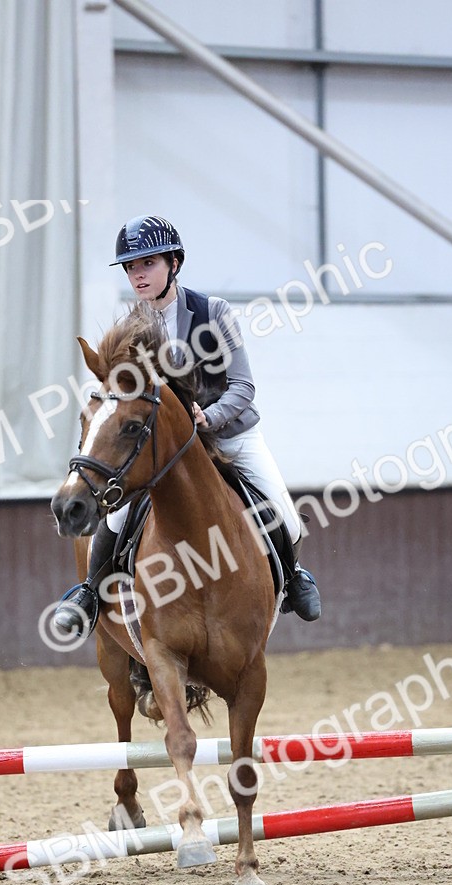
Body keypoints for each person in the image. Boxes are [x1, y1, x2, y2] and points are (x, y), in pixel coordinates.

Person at [54, 214, 321, 638]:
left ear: (174, 264)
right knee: (117, 519)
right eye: (131, 266)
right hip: (168, 447)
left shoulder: (214, 313)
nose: (137, 274)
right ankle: (89, 592)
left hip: (230, 433)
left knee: (284, 513)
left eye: (148, 263)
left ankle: (293, 576)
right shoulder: (130, 328)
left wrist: (207, 416)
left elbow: (244, 386)